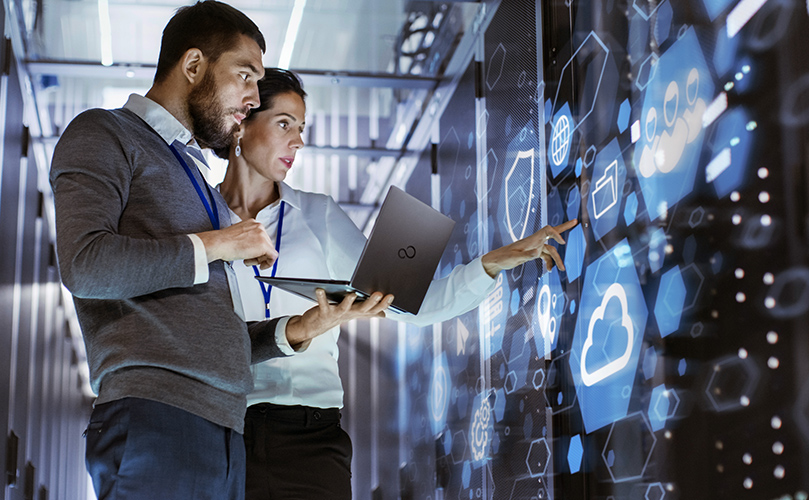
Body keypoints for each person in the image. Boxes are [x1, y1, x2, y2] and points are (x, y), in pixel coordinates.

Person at [49, 4, 388, 499]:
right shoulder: (105, 133)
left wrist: (301, 329)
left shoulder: (198, 185)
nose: (252, 98)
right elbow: (86, 265)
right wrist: (221, 242)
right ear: (193, 67)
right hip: (157, 417)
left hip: (225, 431)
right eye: (245, 76)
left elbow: (214, 333)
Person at [215, 68, 579, 499]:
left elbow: (413, 305)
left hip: (310, 437)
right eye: (284, 124)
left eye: (302, 128)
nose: (298, 141)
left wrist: (493, 263)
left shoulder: (319, 216)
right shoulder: (200, 220)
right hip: (223, 431)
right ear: (242, 122)